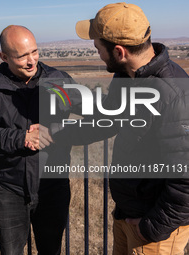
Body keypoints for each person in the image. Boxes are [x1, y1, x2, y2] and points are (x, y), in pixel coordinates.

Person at [51, 2, 189, 254]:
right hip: (128, 214)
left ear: (119, 52)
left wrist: (151, 227)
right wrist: (54, 133)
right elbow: (106, 120)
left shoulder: (174, 95)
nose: (97, 54)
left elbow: (185, 181)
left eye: (97, 48)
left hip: (155, 231)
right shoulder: (127, 77)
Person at [0, 25, 73, 255]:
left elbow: (87, 116)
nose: (31, 61)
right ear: (4, 57)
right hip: (9, 189)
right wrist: (21, 138)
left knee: (51, 249)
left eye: (34, 52)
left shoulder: (59, 81)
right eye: (22, 56)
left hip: (53, 187)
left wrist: (52, 130)